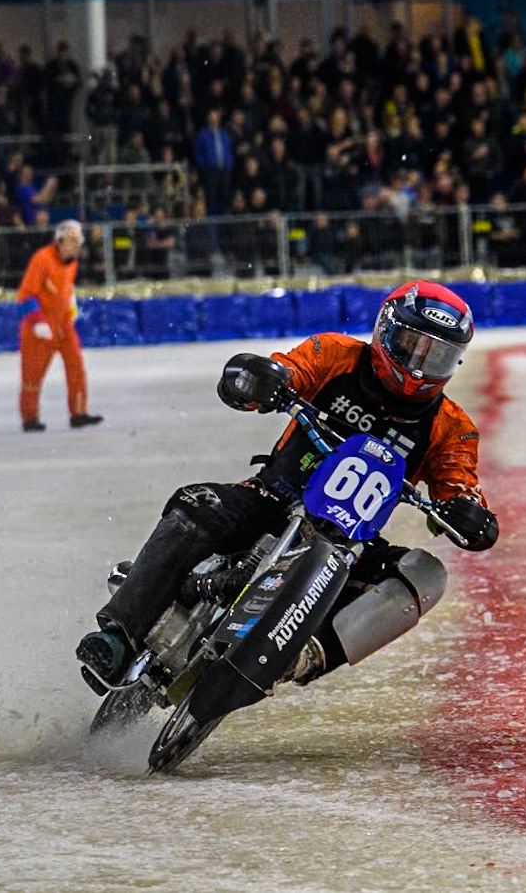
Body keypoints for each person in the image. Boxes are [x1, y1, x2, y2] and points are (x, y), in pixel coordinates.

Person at [76, 281, 498, 688]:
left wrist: (467, 514)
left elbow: (459, 487)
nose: (420, 363)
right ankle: (119, 636)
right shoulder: (334, 354)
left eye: (438, 354)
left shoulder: (452, 428)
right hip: (271, 496)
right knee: (193, 504)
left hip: (351, 544)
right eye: (412, 345)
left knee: (426, 575)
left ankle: (308, 655)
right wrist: (261, 381)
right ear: (386, 331)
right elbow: (290, 369)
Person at [17, 219, 102, 432]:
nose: (77, 246)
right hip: (39, 329)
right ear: (61, 240)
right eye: (73, 241)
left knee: (76, 367)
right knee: (33, 376)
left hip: (63, 325)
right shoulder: (42, 259)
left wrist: (71, 306)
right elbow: (25, 295)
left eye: (78, 242)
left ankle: (79, 413)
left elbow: (65, 289)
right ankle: (30, 418)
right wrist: (37, 322)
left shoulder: (72, 262)